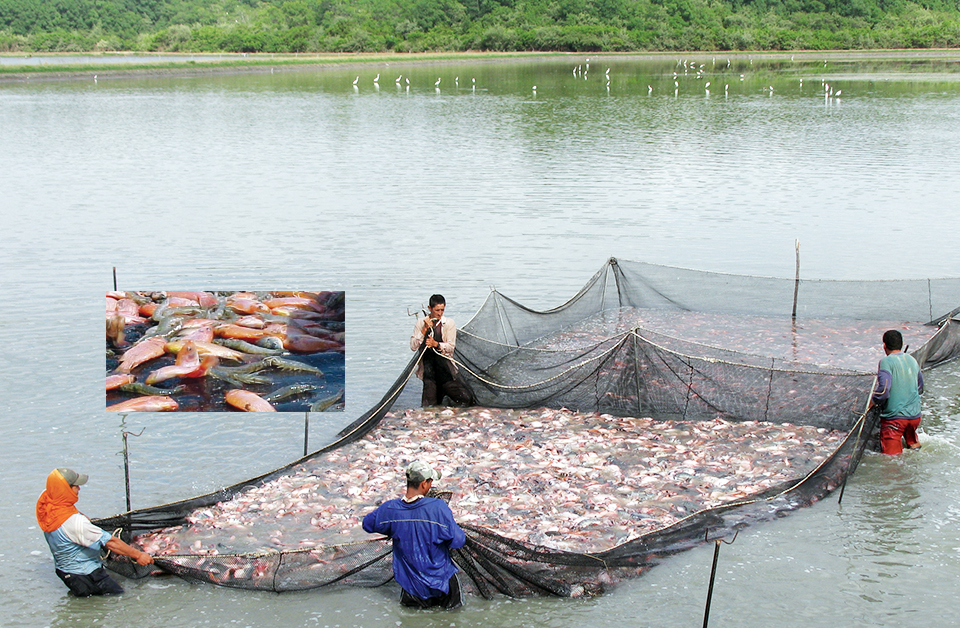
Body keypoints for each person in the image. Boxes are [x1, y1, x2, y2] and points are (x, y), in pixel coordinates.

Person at [362, 461, 466, 609]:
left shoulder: (390, 509)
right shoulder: (438, 508)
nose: (431, 486)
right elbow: (458, 541)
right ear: (424, 484)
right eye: (430, 482)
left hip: (411, 587)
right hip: (443, 583)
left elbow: (367, 524)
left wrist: (396, 528)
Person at [36, 468, 154, 596]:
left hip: (63, 571)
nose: (79, 489)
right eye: (76, 486)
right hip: (85, 574)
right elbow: (111, 542)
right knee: (119, 596)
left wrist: (81, 515)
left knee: (84, 599)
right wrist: (138, 555)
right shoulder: (75, 523)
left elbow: (67, 511)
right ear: (66, 490)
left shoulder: (46, 500)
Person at [410, 294, 474, 406]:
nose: (439, 313)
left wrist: (436, 344)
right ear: (430, 309)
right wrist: (424, 329)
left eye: (442, 310)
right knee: (429, 407)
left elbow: (450, 348)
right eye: (437, 310)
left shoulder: (449, 323)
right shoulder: (421, 323)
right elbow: (413, 346)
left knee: (466, 399)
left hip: (446, 373)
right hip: (429, 374)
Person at [871, 330, 924, 455]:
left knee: (892, 459)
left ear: (884, 346)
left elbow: (884, 390)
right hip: (915, 417)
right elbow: (920, 387)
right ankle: (913, 444)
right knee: (913, 445)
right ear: (901, 344)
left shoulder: (886, 362)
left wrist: (874, 401)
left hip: (895, 420)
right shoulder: (912, 360)